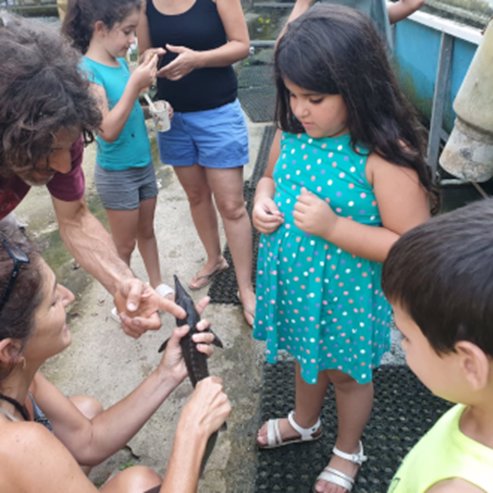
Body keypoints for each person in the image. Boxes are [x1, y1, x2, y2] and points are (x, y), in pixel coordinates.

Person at [252, 5, 433, 492]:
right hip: (296, 285)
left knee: (347, 375)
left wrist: (335, 229)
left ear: (358, 87)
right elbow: (267, 178)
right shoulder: (293, 133)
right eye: (291, 95)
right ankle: (303, 420)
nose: (299, 110)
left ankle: (348, 449)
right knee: (304, 360)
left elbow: (412, 246)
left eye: (314, 97)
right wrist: (263, 203)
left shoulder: (382, 155)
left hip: (346, 297)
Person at [0, 223, 231, 493]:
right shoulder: (18, 445)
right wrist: (193, 434)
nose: (70, 296)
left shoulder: (16, 375)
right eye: (52, 302)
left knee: (86, 409)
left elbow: (88, 440)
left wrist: (168, 373)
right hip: (18, 457)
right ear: (10, 350)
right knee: (140, 483)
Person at [0, 12, 183, 338]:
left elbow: (74, 218)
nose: (61, 167)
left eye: (67, 148)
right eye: (47, 152)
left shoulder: (60, 129)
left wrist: (122, 281)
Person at [136, 0, 256, 325]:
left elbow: (242, 46)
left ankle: (245, 287)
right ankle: (215, 258)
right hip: (172, 117)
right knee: (196, 195)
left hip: (218, 112)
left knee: (231, 205)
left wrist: (197, 60)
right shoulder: (145, 5)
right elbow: (145, 53)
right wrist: (150, 65)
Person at [62, 0, 175, 320]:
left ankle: (157, 284)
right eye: (127, 32)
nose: (132, 41)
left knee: (147, 231)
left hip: (142, 165)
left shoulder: (121, 63)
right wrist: (136, 86)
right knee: (123, 245)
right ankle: (122, 297)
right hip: (118, 172)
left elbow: (124, 113)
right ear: (100, 28)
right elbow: (107, 128)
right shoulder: (87, 70)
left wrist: (150, 109)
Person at [381, 198, 493, 493]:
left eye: (406, 336)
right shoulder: (478, 404)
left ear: (469, 363)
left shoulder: (460, 488)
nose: (403, 346)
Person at [286, 0, 425, 48]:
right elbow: (414, 3)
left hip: (331, 65)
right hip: (377, 71)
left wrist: (302, 4)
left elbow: (285, 51)